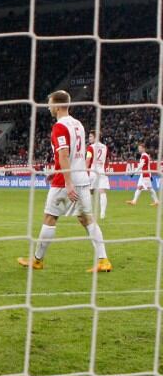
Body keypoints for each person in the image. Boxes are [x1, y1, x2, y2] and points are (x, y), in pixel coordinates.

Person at [18, 90, 111, 273]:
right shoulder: (78, 125)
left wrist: (67, 181)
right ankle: (103, 260)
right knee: (87, 219)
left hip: (65, 181)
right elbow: (77, 155)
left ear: (58, 105)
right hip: (82, 178)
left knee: (50, 217)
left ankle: (37, 260)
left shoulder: (59, 127)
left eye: (50, 104)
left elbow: (64, 154)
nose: (49, 107)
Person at [126, 142, 159, 207]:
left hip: (145, 174)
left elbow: (141, 165)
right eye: (138, 148)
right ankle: (134, 201)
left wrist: (134, 172)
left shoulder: (144, 156)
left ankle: (156, 201)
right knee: (139, 187)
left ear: (143, 148)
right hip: (144, 174)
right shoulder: (144, 155)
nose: (139, 149)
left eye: (140, 148)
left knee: (150, 188)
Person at [86, 130, 110, 220]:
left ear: (96, 137)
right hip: (102, 171)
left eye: (90, 136)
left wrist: (84, 171)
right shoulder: (105, 147)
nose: (89, 138)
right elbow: (107, 159)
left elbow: (88, 160)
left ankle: (90, 212)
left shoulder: (90, 148)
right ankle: (102, 214)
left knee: (90, 191)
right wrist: (106, 168)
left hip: (92, 171)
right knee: (102, 191)